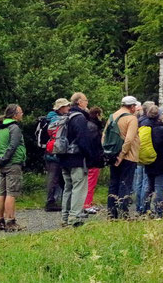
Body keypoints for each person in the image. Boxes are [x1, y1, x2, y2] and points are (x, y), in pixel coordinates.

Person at [59, 92, 94, 227]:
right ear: (79, 102)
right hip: (77, 158)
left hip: (64, 157)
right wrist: (89, 155)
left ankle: (65, 217)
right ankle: (74, 218)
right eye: (86, 100)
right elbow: (83, 140)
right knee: (79, 188)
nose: (87, 103)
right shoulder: (79, 118)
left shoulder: (66, 116)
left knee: (68, 188)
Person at [104, 95, 139, 219]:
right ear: (132, 106)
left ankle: (111, 213)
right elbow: (129, 139)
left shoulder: (112, 116)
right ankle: (123, 214)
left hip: (112, 155)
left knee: (113, 183)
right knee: (125, 184)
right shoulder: (131, 118)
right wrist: (122, 155)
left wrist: (109, 153)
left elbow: (104, 136)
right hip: (128, 156)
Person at [0, 104, 25, 232]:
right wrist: (5, 160)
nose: (22, 114)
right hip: (12, 163)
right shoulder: (14, 128)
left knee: (1, 193)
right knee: (11, 193)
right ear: (14, 114)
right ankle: (10, 222)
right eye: (20, 112)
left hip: (1, 164)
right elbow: (13, 146)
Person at [138, 105, 163, 217]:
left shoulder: (145, 126)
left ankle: (144, 209)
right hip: (160, 162)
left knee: (148, 187)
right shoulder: (161, 129)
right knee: (159, 187)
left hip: (148, 160)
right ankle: (158, 211)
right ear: (159, 115)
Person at [43, 98, 69, 211]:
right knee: (53, 178)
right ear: (60, 108)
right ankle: (50, 202)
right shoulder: (57, 119)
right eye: (66, 106)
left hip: (50, 151)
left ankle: (58, 200)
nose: (68, 108)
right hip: (54, 152)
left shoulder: (49, 118)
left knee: (56, 178)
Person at [83, 106, 104, 215]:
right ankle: (87, 204)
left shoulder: (88, 124)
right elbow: (94, 144)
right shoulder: (93, 127)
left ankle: (89, 202)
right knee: (91, 182)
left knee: (90, 182)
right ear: (97, 114)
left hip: (90, 158)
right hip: (93, 158)